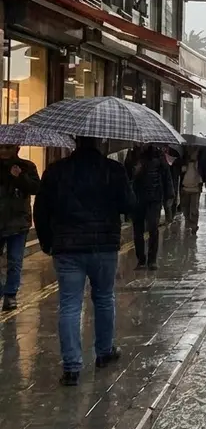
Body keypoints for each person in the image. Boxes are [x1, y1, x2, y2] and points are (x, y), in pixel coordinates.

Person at [34, 137, 135, 386]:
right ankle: (104, 351)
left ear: (75, 142)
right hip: (103, 247)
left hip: (67, 248)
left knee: (69, 304)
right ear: (100, 142)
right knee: (103, 298)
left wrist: (48, 241)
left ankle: (71, 367)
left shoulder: (56, 171)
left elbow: (41, 210)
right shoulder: (113, 170)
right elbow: (130, 205)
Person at [0, 144, 40, 310]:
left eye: (8, 148)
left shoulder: (27, 166)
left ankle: (10, 295)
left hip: (18, 222)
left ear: (16, 149)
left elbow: (36, 188)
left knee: (15, 261)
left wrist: (19, 177)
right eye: (1, 148)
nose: (4, 152)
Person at [131, 145, 174, 270]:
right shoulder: (134, 156)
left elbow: (167, 178)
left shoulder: (160, 157)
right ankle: (141, 259)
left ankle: (152, 260)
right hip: (138, 199)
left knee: (153, 228)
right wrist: (135, 172)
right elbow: (127, 176)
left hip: (154, 199)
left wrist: (169, 196)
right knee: (137, 230)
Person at [179, 148, 204, 233]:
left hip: (195, 189)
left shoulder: (199, 163)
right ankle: (188, 223)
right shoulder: (184, 161)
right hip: (185, 188)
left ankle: (194, 225)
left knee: (194, 208)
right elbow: (180, 172)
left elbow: (203, 174)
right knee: (185, 208)